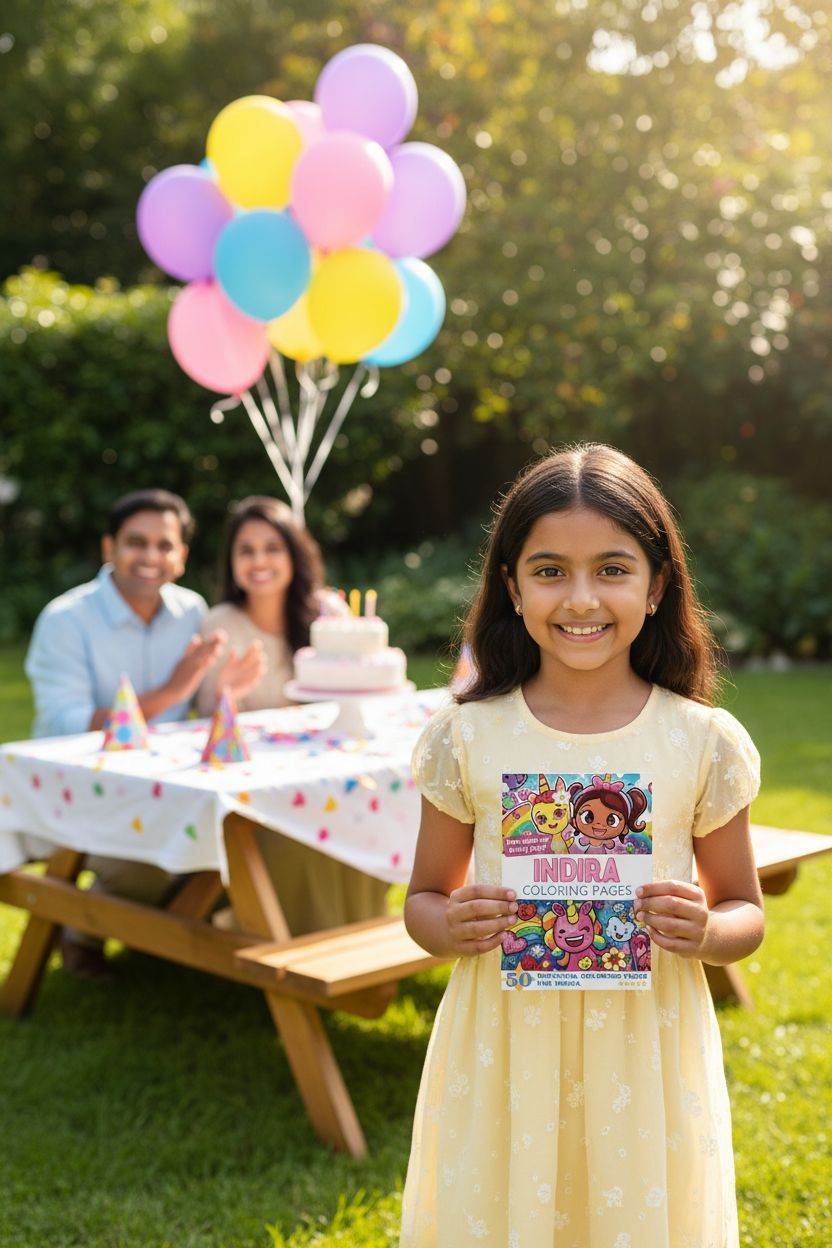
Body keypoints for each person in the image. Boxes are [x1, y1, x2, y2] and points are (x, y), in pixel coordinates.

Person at [400, 444, 764, 1248]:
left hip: (648, 1050)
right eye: (550, 571)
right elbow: (422, 900)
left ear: (657, 583)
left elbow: (745, 909)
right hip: (502, 1046)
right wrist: (447, 922)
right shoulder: (467, 735)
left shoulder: (700, 740)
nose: (581, 598)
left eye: (611, 568)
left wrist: (707, 929)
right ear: (511, 585)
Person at [24, 487, 264, 977]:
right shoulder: (65, 620)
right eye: (137, 543)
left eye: (165, 545)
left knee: (254, 833)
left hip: (179, 781)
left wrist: (226, 690)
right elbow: (68, 724)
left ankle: (177, 932)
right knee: (141, 862)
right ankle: (84, 933)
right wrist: (172, 687)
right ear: (108, 548)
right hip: (89, 785)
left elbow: (200, 707)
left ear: (181, 557)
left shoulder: (191, 611)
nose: (150, 557)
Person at [196, 495, 389, 935]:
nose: (259, 560)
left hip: (333, 773)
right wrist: (226, 693)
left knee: (367, 806)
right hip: (259, 788)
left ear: (293, 553)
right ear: (231, 561)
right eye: (246, 550)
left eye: (272, 547)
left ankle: (358, 931)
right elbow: (207, 719)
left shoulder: (328, 614)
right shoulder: (221, 623)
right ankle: (290, 936)